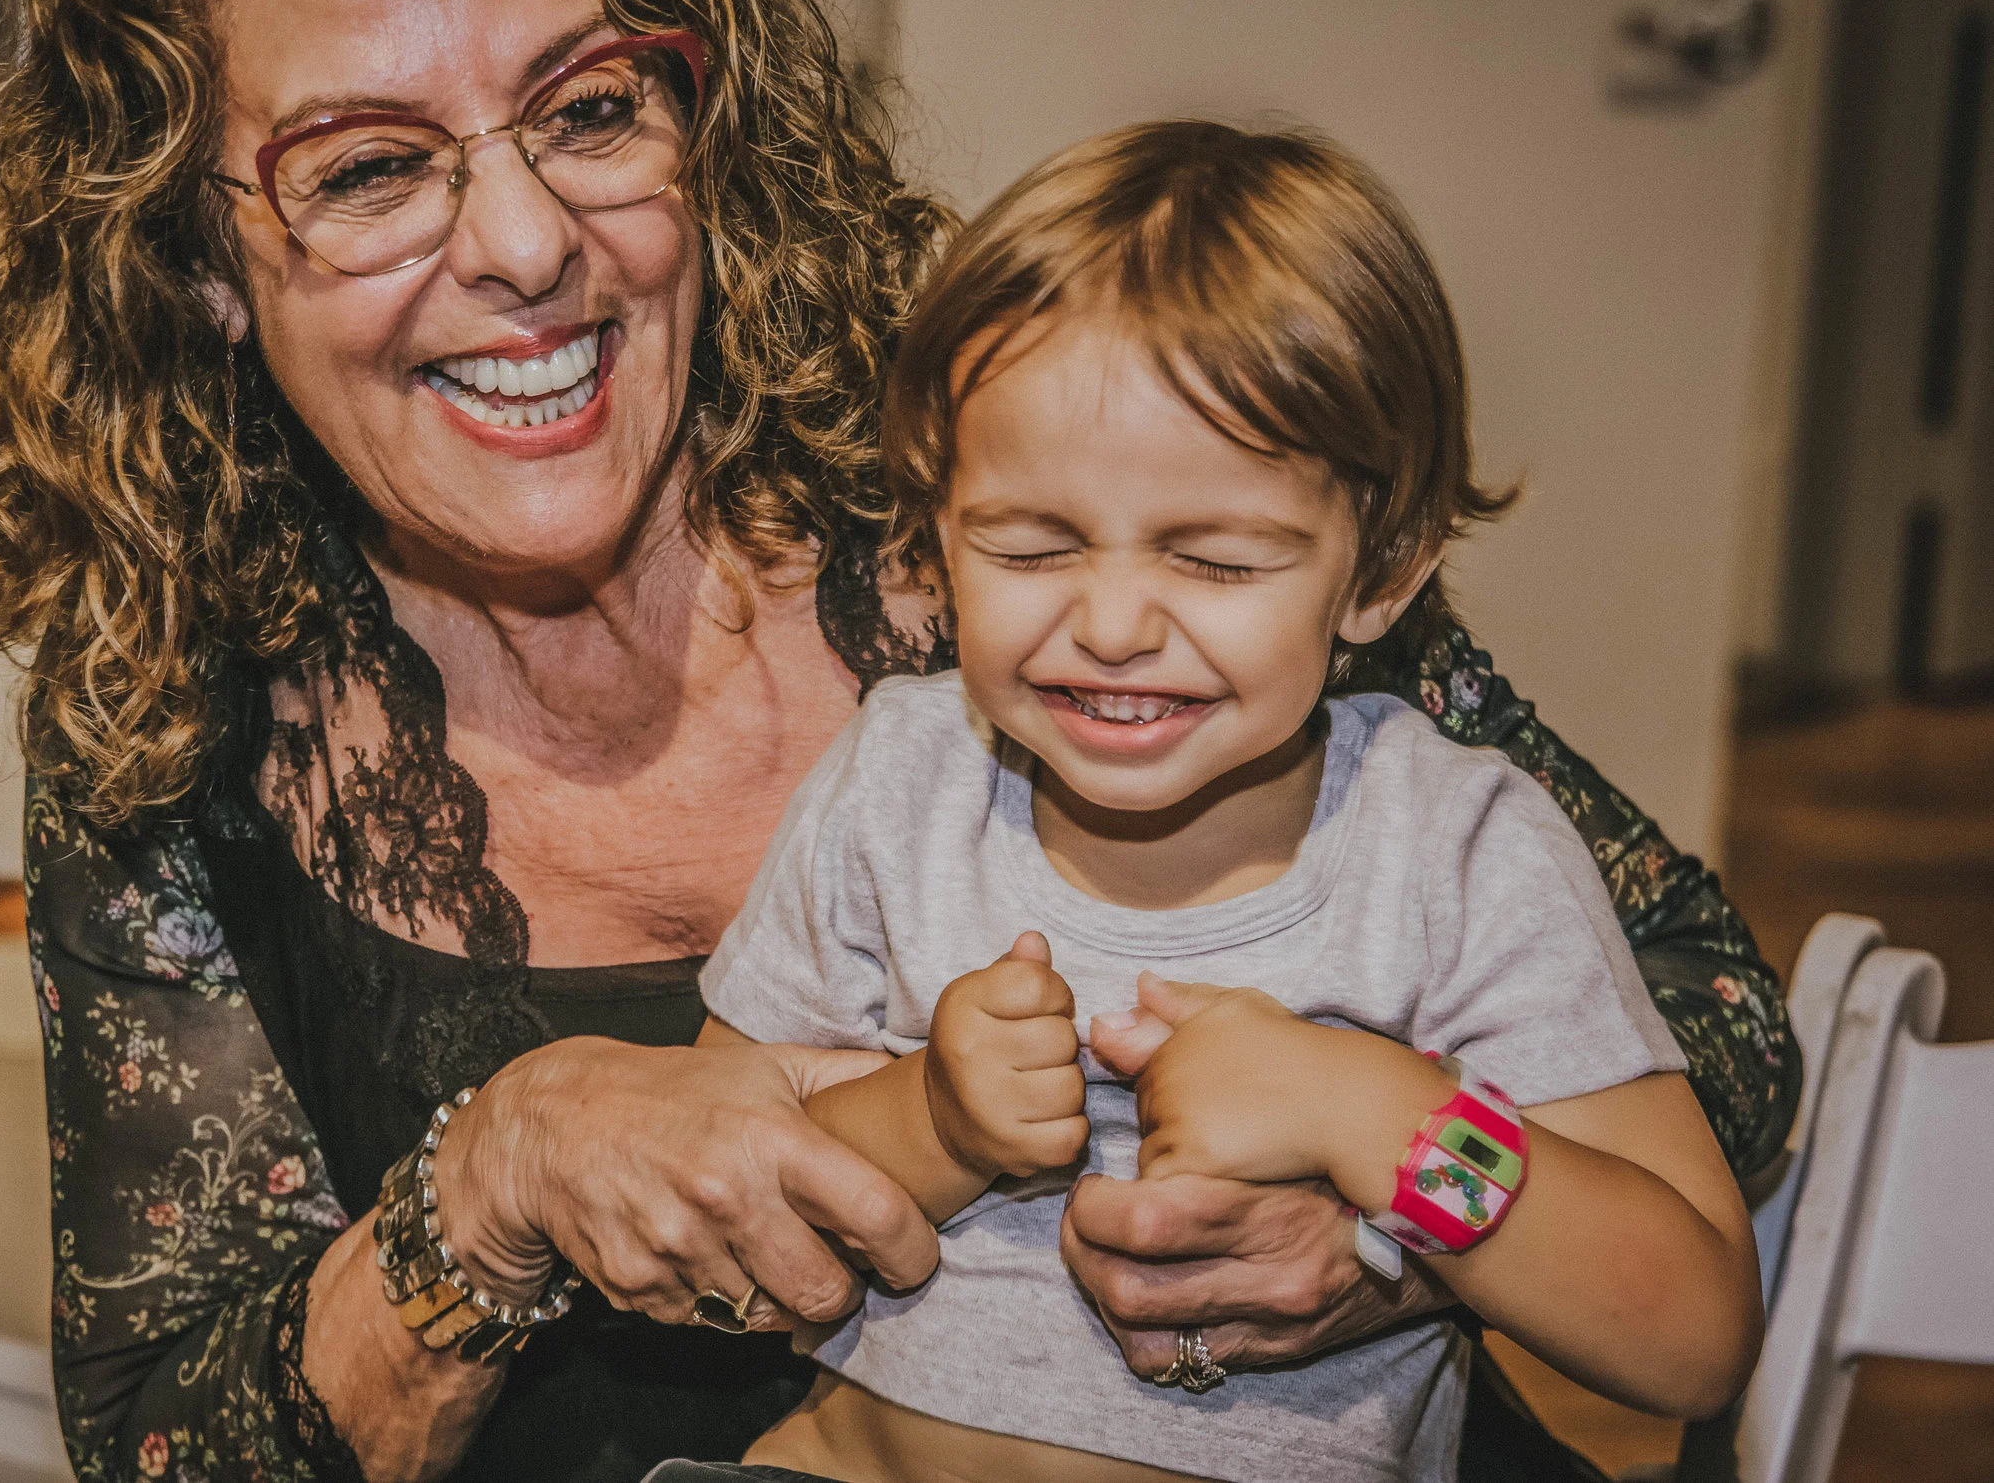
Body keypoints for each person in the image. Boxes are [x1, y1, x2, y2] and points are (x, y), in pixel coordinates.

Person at [0, 0, 1797, 1481]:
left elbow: (1702, 1012)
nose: (526, 242)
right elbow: (166, 1439)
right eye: (368, 167)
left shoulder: (1047, 465)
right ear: (196, 263)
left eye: (590, 108)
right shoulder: (176, 708)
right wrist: (491, 1181)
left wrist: (1397, 1220)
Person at [680, 122, 1764, 1483]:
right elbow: (712, 1193)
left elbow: (1691, 1332)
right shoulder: (897, 785)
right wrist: (932, 1124)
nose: (1113, 623)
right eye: (1032, 545)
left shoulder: (1454, 855)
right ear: (939, 533)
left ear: (1382, 572)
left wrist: (1377, 1115)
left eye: (1217, 562)